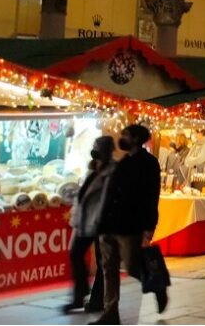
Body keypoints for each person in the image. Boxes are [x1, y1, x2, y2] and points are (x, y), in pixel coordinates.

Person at [93, 125, 165, 325]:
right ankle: (110, 312)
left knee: (133, 267)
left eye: (125, 135)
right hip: (110, 224)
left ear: (135, 138)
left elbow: (151, 196)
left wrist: (149, 227)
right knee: (109, 268)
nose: (121, 138)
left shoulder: (148, 163)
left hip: (130, 225)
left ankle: (157, 286)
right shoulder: (124, 161)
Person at [65, 136, 115, 314]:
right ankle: (80, 294)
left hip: (102, 223)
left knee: (103, 263)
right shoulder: (93, 170)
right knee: (75, 254)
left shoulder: (111, 172)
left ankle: (96, 300)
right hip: (86, 222)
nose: (94, 150)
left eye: (97, 147)